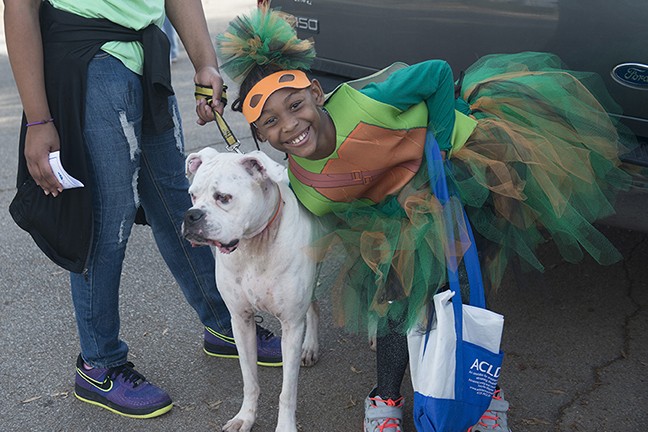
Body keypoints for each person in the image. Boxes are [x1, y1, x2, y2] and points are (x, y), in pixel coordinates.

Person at [214, 7, 637, 432]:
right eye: (271, 122)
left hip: (462, 172)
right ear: (259, 135)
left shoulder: (366, 101)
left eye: (295, 106)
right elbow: (344, 212)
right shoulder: (305, 186)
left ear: (317, 93)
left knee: (466, 285)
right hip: (403, 209)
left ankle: (482, 393)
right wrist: (383, 246)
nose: (290, 126)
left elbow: (436, 73)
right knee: (396, 296)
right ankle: (384, 398)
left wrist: (442, 146)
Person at [4, 0, 282, 419]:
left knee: (179, 203)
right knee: (106, 219)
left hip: (144, 58)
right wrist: (38, 121)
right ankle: (99, 363)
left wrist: (205, 62)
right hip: (88, 60)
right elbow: (20, 7)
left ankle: (226, 325)